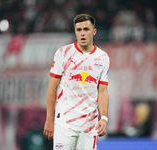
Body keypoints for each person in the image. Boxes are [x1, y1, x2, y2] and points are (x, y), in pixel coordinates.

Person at [43, 14, 110, 150]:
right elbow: (52, 88)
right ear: (75, 32)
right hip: (65, 123)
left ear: (94, 32)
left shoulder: (102, 57)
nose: (82, 33)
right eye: (78, 30)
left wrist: (104, 117)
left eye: (86, 29)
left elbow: (102, 91)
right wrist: (50, 119)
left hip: (90, 125)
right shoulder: (63, 53)